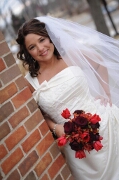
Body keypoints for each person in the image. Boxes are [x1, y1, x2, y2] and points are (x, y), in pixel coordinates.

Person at [16, 16, 119, 180]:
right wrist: (56, 127)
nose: (41, 48)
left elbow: (99, 62)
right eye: (32, 47)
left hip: (107, 126)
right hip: (76, 148)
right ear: (28, 53)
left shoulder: (70, 55)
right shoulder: (30, 82)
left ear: (50, 37)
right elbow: (40, 114)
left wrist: (105, 93)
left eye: (42, 39)